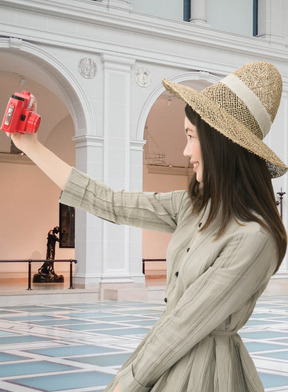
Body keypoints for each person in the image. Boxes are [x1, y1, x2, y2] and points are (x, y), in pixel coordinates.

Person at [7, 61, 287, 392]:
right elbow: (108, 202)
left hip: (208, 374)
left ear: (221, 143)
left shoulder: (255, 238)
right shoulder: (192, 207)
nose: (185, 151)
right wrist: (30, 145)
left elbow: (186, 323)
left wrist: (129, 381)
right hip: (165, 361)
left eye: (191, 137)